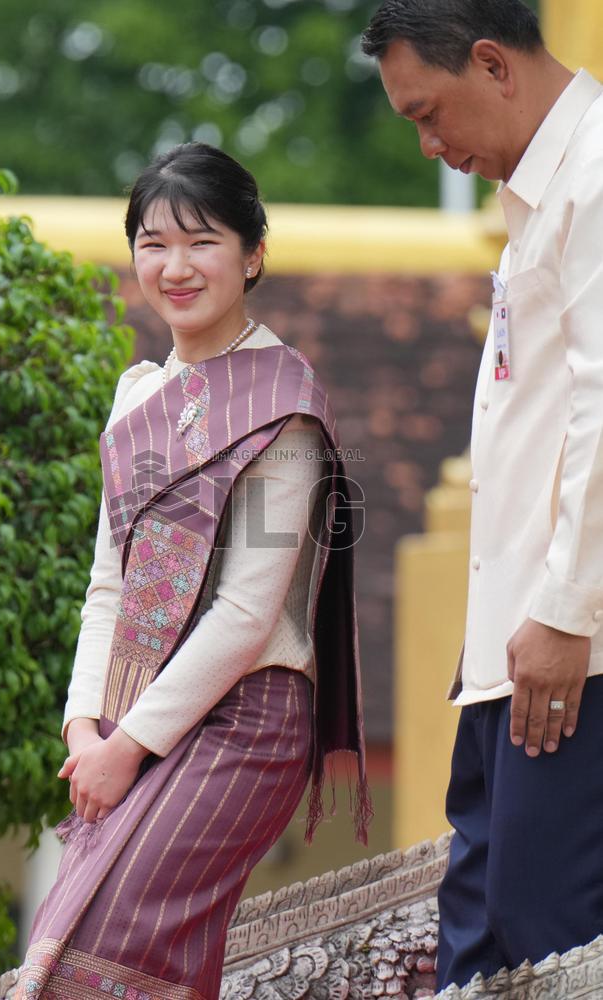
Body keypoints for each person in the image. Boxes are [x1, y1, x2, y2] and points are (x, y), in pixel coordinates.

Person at [14, 142, 371, 1000]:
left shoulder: (279, 408)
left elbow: (247, 614)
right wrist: (83, 732)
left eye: (201, 241)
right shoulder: (137, 394)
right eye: (152, 242)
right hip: (128, 718)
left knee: (102, 953)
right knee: (71, 948)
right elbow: (109, 583)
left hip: (242, 722)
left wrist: (125, 746)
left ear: (252, 255)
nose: (174, 267)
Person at [362, 0, 603, 990]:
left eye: (427, 113)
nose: (427, 146)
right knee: (476, 934)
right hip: (509, 648)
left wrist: (562, 607)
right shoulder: (537, 196)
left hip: (568, 648)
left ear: (494, 66)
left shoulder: (592, 178)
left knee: (547, 932)